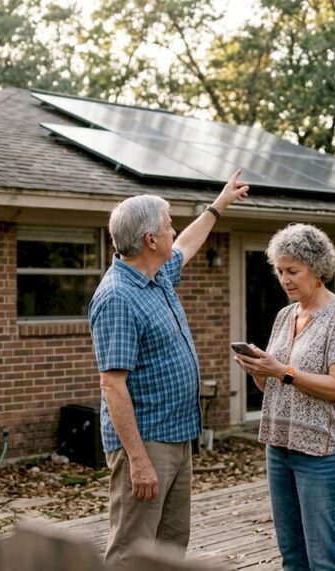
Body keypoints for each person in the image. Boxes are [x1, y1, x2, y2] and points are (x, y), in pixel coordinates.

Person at [89, 170, 250, 567]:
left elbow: (189, 244)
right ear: (150, 240)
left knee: (170, 545)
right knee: (133, 549)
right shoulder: (118, 298)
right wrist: (139, 461)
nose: (174, 231)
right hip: (146, 444)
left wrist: (218, 204)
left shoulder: (155, 276)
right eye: (168, 225)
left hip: (178, 436)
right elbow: (112, 386)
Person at [232, 223, 335, 571]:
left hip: (324, 454)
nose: (284, 279)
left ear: (318, 269)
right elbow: (272, 389)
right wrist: (260, 372)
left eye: (293, 270)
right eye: (279, 271)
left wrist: (282, 371)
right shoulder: (284, 316)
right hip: (280, 449)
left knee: (324, 560)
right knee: (293, 557)